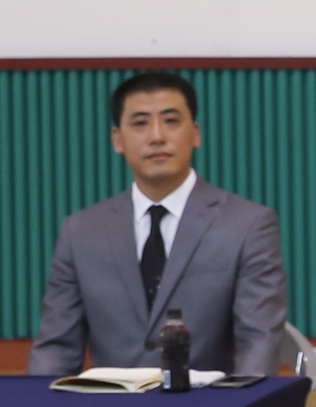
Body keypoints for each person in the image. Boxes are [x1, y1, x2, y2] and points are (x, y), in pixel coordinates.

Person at [28, 71, 288, 379]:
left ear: (195, 133)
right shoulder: (81, 232)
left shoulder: (247, 225)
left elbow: (258, 342)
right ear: (118, 140)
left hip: (211, 405)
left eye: (171, 121)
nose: (156, 136)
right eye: (140, 123)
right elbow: (56, 348)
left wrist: (240, 406)